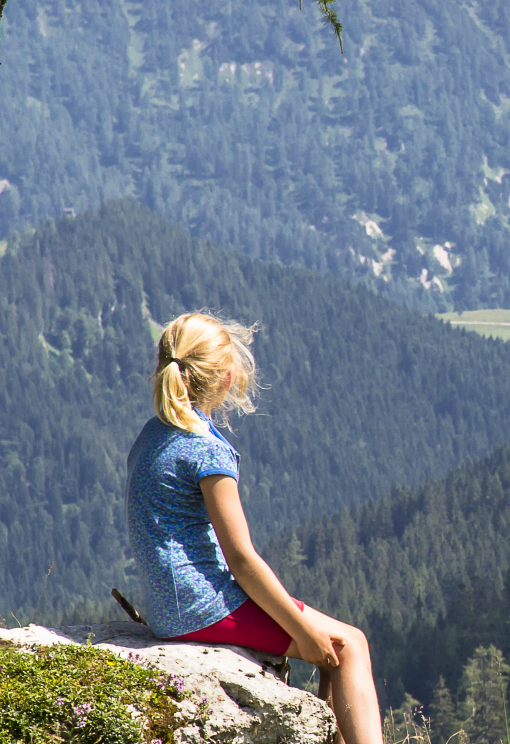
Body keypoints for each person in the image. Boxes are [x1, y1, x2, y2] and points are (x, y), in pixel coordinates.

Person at [127, 312, 382, 743]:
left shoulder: (153, 433)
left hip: (166, 604)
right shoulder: (207, 451)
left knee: (330, 648)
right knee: (347, 644)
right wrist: (303, 631)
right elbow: (241, 559)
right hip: (198, 607)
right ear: (227, 377)